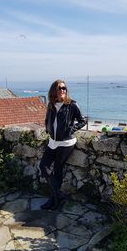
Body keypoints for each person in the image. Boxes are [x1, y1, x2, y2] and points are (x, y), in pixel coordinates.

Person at [39, 79, 86, 210]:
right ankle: (58, 196)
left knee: (57, 169)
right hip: (53, 142)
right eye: (59, 88)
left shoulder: (72, 105)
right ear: (54, 90)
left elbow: (82, 121)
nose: (62, 90)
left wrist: (71, 130)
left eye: (64, 88)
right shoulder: (51, 105)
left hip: (66, 142)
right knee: (43, 166)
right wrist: (48, 129)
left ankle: (54, 199)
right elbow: (48, 119)